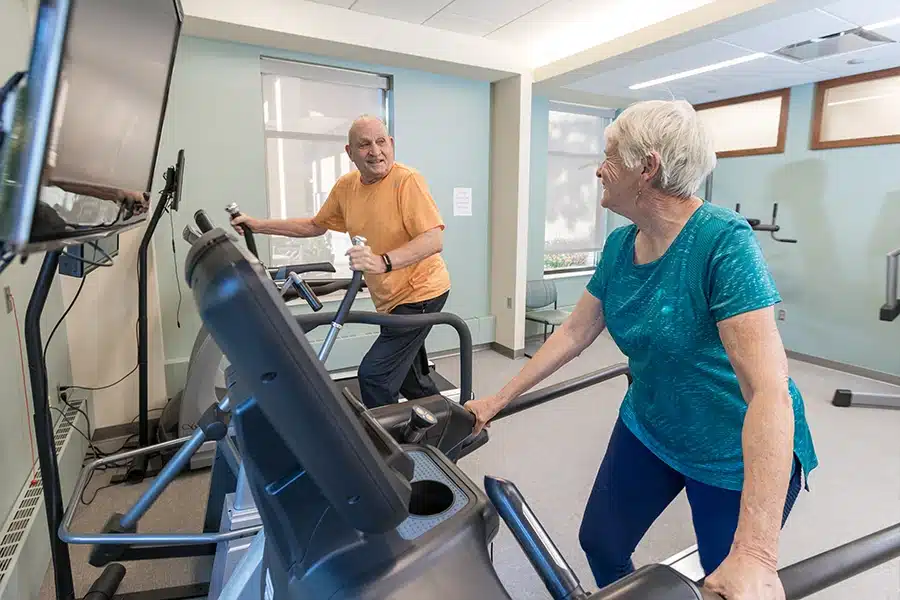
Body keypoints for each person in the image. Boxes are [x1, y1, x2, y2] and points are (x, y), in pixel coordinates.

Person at [464, 100, 818, 600]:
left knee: (726, 581)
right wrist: (498, 399)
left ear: (646, 167)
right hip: (650, 426)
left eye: (609, 155)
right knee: (600, 542)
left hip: (730, 449)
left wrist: (757, 555)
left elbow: (768, 391)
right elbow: (574, 333)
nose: (598, 169)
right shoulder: (619, 245)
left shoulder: (723, 243)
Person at [231, 115, 451, 409]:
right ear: (350, 153)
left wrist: (382, 262)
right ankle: (451, 425)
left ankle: (385, 449)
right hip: (390, 297)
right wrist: (257, 225)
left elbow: (433, 239)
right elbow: (314, 225)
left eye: (381, 142)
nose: (375, 151)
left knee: (375, 375)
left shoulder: (406, 181)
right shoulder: (347, 187)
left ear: (392, 144)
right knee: (409, 378)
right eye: (364, 145)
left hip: (421, 292)